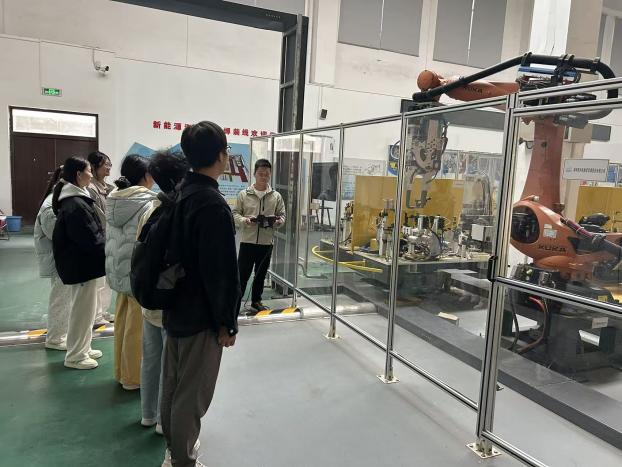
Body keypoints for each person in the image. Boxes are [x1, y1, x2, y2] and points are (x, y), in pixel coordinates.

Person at [160, 121, 240, 467]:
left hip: (174, 305)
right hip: (201, 314)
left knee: (173, 385)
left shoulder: (179, 194)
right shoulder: (212, 204)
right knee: (192, 394)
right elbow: (220, 273)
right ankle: (182, 460)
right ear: (221, 155)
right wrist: (227, 322)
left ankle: (172, 451)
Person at [136, 149, 190, 435]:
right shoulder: (180, 210)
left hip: (148, 296)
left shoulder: (151, 208)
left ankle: (148, 414)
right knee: (172, 366)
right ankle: (162, 421)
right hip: (171, 300)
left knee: (151, 359)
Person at [105, 154, 156, 390]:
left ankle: (120, 371)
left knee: (122, 323)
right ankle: (133, 378)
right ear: (145, 176)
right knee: (136, 329)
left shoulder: (115, 198)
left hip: (118, 269)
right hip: (136, 273)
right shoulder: (146, 202)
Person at [52, 157, 106, 370]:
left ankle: (83, 347)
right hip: (82, 266)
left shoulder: (76, 199)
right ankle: (75, 355)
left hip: (84, 265)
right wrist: (107, 247)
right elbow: (89, 239)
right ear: (78, 174)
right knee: (82, 311)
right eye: (89, 170)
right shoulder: (75, 204)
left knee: (87, 310)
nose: (91, 175)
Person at [232, 158, 285, 312]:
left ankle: (256, 301)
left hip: (266, 243)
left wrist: (278, 221)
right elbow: (235, 214)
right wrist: (245, 220)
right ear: (254, 174)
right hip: (247, 242)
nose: (263, 176)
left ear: (270, 175)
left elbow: (282, 215)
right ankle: (235, 303)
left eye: (267, 174)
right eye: (261, 173)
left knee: (260, 274)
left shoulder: (276, 196)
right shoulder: (244, 194)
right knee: (242, 275)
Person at [34, 166, 71, 350]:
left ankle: (61, 333)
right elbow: (54, 234)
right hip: (59, 260)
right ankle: (55, 338)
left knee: (65, 299)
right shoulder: (51, 204)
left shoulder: (59, 199)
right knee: (60, 299)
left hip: (63, 258)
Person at [87, 151, 115, 325]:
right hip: (99, 236)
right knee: (98, 280)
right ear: (94, 166)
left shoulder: (108, 187)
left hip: (109, 236)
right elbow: (99, 216)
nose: (109, 167)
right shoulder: (91, 189)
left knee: (107, 278)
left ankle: (103, 312)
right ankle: (96, 315)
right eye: (106, 164)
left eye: (110, 164)